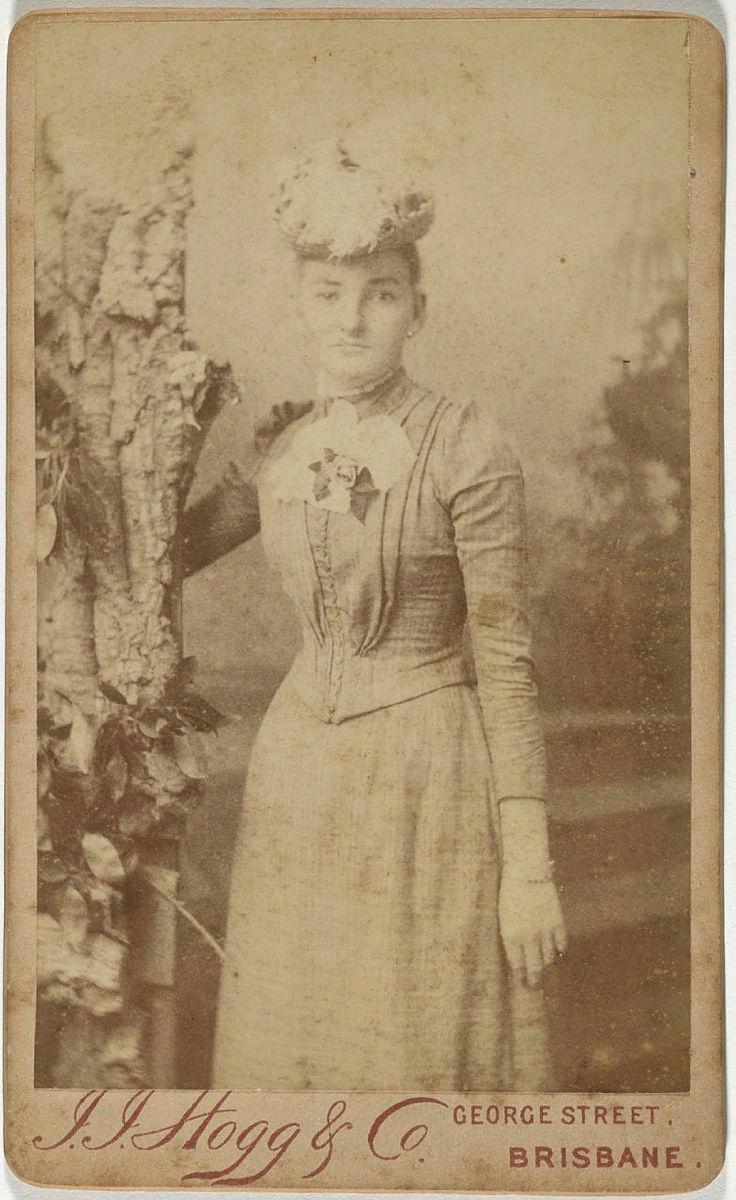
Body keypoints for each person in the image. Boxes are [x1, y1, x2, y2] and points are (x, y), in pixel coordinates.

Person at [181, 141, 567, 1091]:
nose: (351, 318)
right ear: (299, 302)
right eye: (327, 293)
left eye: (381, 292)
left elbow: (507, 661)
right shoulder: (284, 445)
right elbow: (162, 555)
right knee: (293, 1055)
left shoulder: (468, 445)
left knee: (407, 1054)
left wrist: (529, 867)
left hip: (424, 782)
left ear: (416, 308)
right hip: (297, 780)